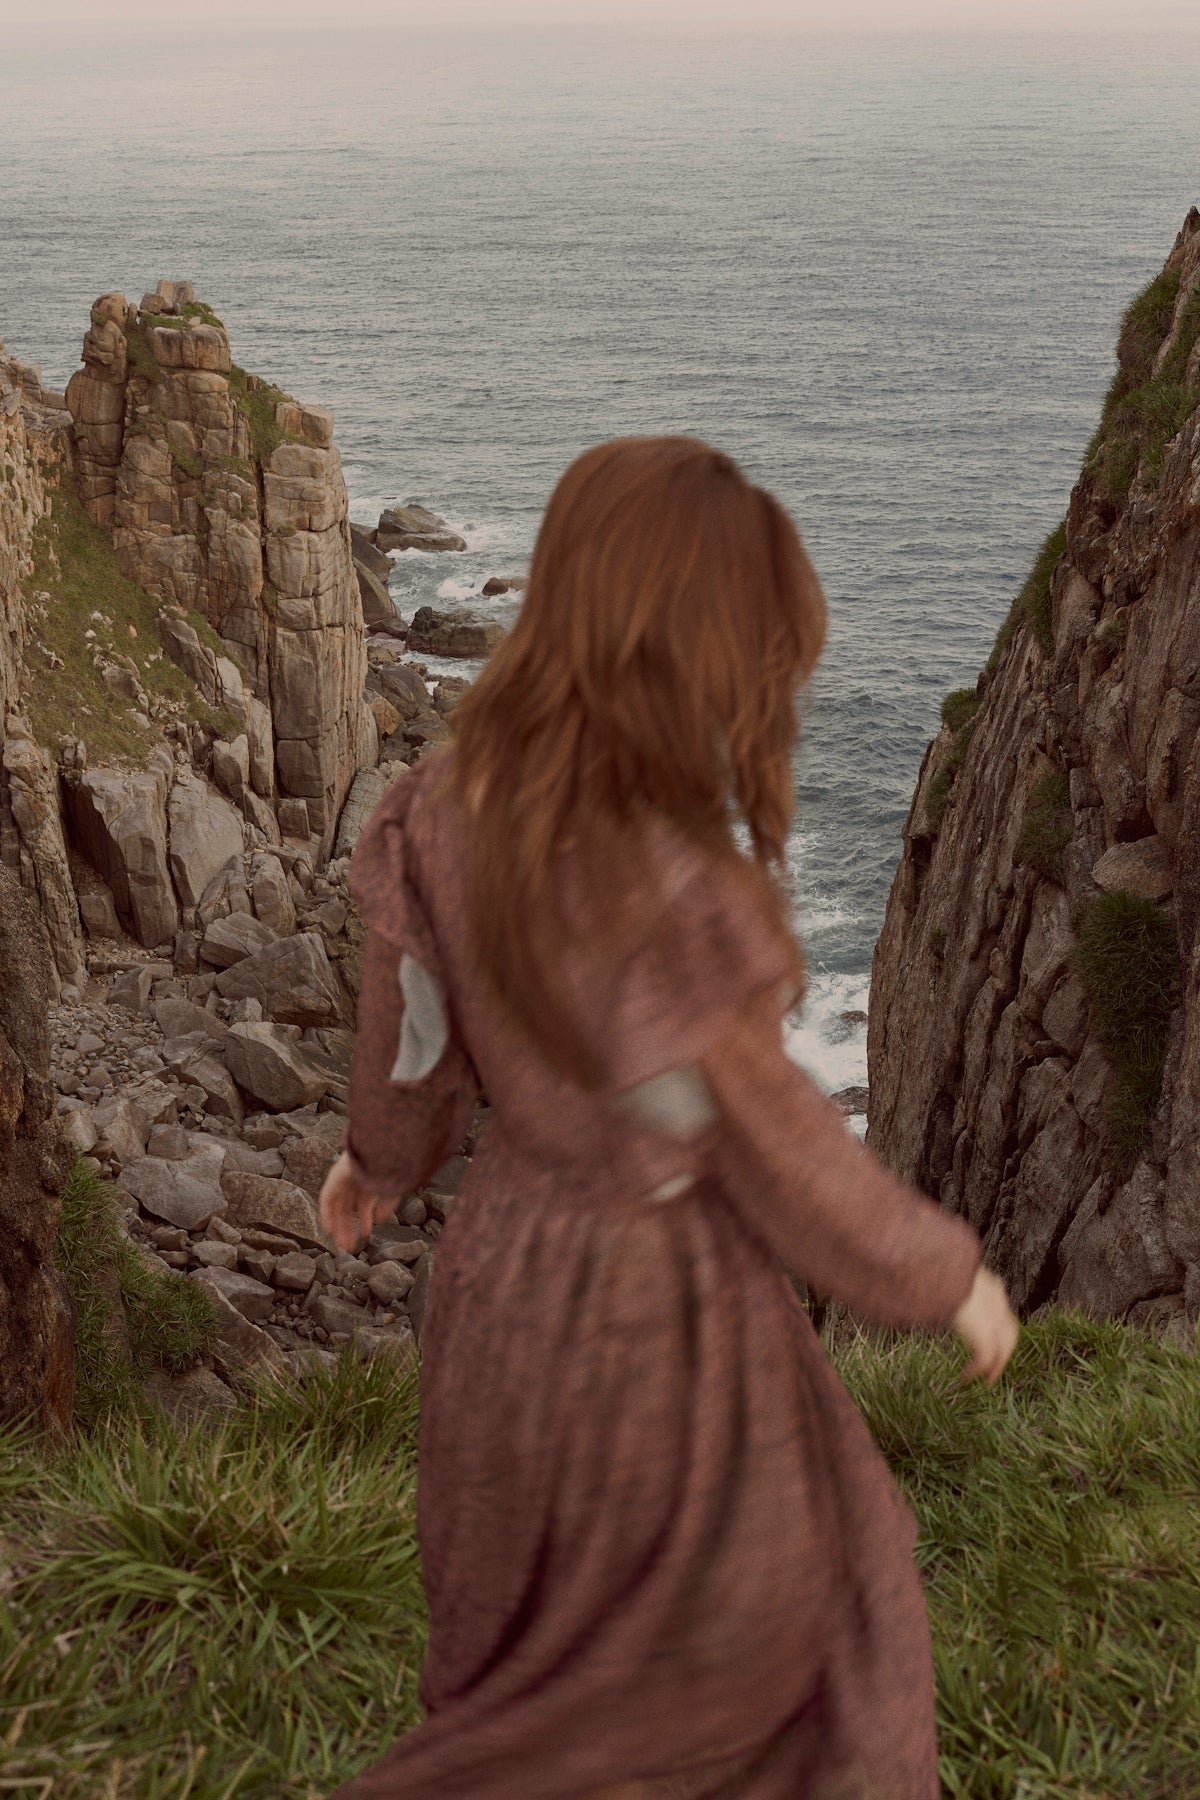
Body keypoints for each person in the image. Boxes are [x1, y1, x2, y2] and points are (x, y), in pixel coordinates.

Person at [319, 436, 1019, 1800]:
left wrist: (378, 1168)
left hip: (500, 1298)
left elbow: (410, 1037)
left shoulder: (438, 811)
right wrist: (945, 1277)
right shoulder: (669, 891)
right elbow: (774, 1142)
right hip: (660, 1320)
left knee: (514, 1630)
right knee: (799, 1632)